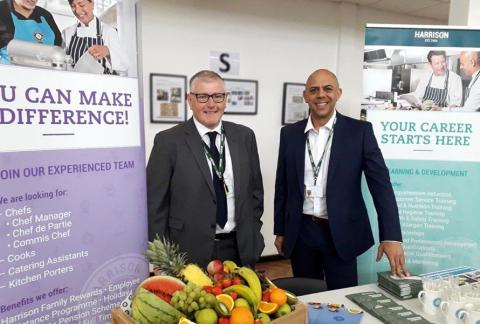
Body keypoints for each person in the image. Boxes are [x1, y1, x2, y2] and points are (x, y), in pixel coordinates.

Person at [274, 69, 408, 290]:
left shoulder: (359, 132)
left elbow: (381, 186)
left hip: (341, 233)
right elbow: (283, 186)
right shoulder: (289, 134)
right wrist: (280, 229)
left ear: (338, 93)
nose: (321, 95)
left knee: (343, 300)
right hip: (301, 233)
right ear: (306, 95)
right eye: (314, 90)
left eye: (327, 89)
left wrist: (391, 236)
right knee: (306, 298)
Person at [147, 70, 264, 268]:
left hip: (240, 248)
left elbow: (255, 192)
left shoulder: (244, 136)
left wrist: (254, 234)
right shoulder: (168, 141)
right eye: (203, 97)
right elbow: (155, 205)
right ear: (189, 100)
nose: (211, 104)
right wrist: (163, 259)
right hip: (187, 252)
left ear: (226, 99)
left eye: (218, 96)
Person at [62, 0, 128, 75]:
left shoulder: (108, 31)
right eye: (73, 6)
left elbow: (124, 65)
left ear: (92, 4)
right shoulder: (67, 33)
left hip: (101, 85)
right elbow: (62, 64)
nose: (77, 11)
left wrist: (108, 51)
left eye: (82, 5)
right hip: (75, 84)